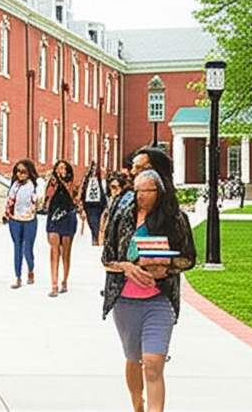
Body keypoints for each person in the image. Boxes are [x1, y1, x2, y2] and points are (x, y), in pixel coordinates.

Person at [102, 168, 197, 412]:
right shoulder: (122, 216)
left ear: (159, 192)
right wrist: (125, 267)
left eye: (146, 190)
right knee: (134, 359)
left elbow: (189, 258)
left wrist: (166, 266)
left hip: (159, 300)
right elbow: (106, 258)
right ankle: (138, 405)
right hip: (125, 302)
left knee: (153, 363)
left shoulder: (174, 220)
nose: (140, 195)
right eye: (137, 190)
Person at [44, 159, 79, 297]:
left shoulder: (72, 184)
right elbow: (46, 200)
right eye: (58, 168)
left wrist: (63, 182)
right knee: (53, 249)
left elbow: (75, 200)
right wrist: (51, 186)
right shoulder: (52, 183)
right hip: (54, 216)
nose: (61, 170)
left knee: (66, 250)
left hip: (68, 216)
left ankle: (64, 280)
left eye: (63, 168)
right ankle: (54, 283)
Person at [5, 159, 38, 289]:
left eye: (23, 172)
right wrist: (6, 213)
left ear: (29, 172)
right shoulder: (14, 185)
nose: (20, 174)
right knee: (17, 247)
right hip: (14, 219)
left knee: (27, 248)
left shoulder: (34, 185)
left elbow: (37, 200)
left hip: (29, 220)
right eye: (18, 171)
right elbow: (9, 201)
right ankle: (18, 276)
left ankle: (30, 268)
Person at [81, 162, 108, 246]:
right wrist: (82, 207)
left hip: (99, 205)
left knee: (98, 223)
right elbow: (82, 192)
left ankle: (96, 239)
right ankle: (95, 238)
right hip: (90, 205)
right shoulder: (87, 181)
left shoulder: (102, 181)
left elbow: (105, 191)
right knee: (92, 222)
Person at [100, 173, 129, 245]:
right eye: (113, 187)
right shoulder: (110, 201)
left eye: (121, 187)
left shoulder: (127, 202)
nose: (117, 191)